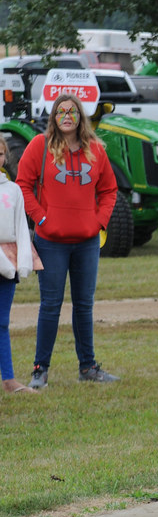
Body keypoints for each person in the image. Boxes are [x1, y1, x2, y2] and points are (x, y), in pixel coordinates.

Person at [17, 93, 120, 388]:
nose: (66, 116)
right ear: (53, 116)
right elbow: (23, 184)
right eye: (60, 111)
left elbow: (109, 190)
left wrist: (98, 221)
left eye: (71, 111)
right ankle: (40, 369)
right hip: (51, 241)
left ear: (80, 116)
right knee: (50, 305)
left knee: (84, 305)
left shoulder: (96, 150)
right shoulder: (40, 146)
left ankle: (88, 367)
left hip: (87, 242)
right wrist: (41, 218)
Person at [0, 138, 41, 394]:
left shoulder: (12, 190)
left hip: (8, 263)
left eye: (0, 153)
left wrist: (23, 262)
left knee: (2, 322)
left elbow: (21, 230)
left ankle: (9, 379)